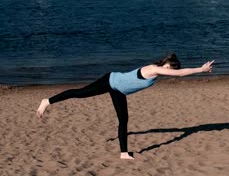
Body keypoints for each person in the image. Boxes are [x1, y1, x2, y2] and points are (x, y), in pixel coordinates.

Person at [36, 54, 215, 159]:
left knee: (124, 120)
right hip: (110, 81)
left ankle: (123, 153)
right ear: (166, 64)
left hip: (119, 91)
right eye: (171, 68)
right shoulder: (154, 69)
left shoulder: (157, 73)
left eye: (172, 68)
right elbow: (181, 74)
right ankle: (47, 101)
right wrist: (201, 69)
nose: (171, 71)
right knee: (79, 93)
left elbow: (177, 73)